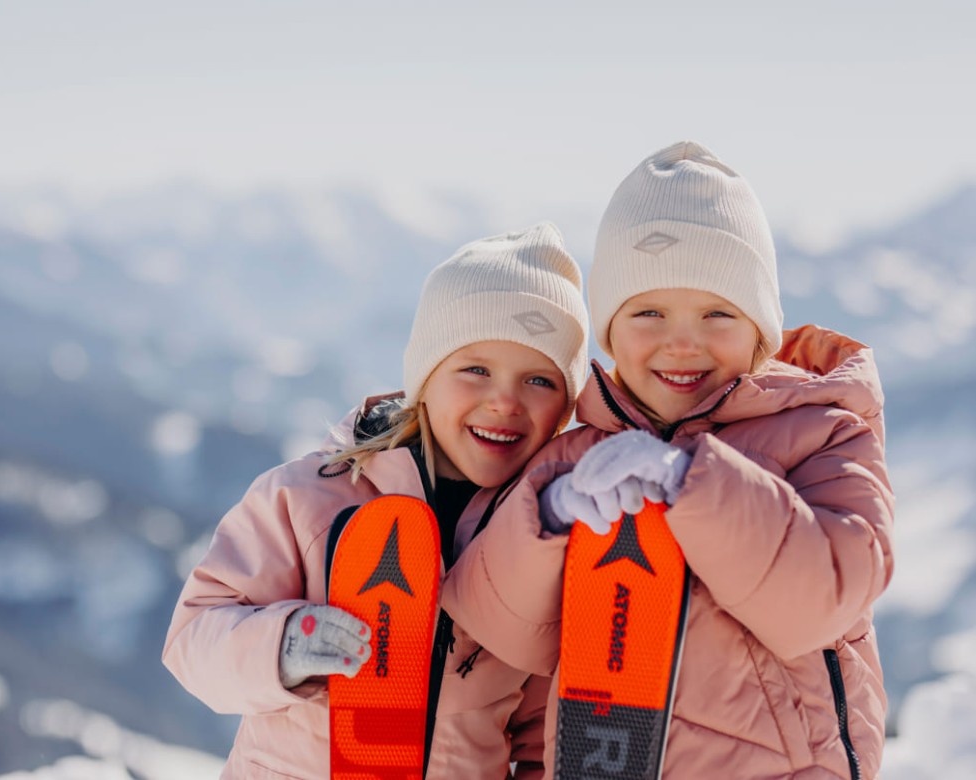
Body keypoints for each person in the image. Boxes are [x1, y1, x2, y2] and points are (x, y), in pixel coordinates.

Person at [440, 141, 895, 778]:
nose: (682, 343)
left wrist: (693, 482)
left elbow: (821, 602)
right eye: (649, 312)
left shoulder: (821, 433)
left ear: (761, 332)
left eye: (717, 314)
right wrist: (549, 515)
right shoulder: (580, 454)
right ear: (610, 334)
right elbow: (497, 621)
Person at [162, 222, 589, 779]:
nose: (504, 401)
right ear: (425, 379)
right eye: (476, 370)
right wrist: (282, 646)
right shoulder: (309, 499)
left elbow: (538, 732)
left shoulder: (539, 545)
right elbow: (194, 639)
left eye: (538, 381)